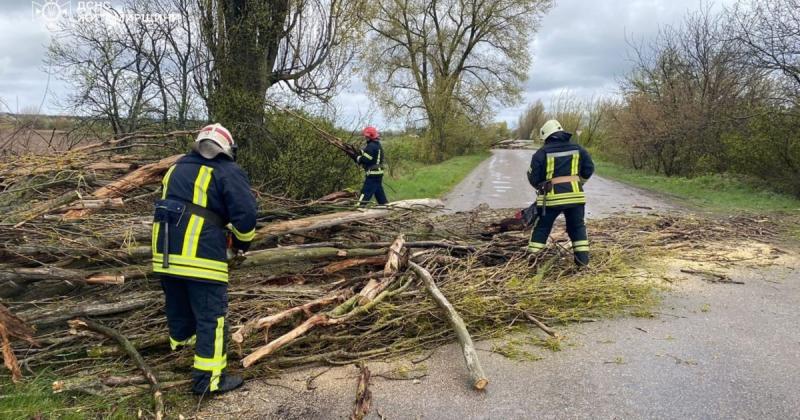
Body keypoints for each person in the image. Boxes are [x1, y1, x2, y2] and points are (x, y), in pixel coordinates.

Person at [151, 123, 257, 395]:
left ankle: (181, 358)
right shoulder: (227, 171)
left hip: (164, 255)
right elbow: (245, 217)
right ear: (226, 148)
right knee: (212, 318)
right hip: (201, 257)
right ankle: (209, 381)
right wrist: (242, 244)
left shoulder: (176, 167)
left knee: (181, 310)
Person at [526, 119, 595, 266]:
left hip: (551, 200)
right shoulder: (578, 149)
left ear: (546, 136)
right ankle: (582, 264)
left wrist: (541, 186)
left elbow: (534, 178)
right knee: (577, 228)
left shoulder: (541, 153)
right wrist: (578, 183)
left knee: (542, 228)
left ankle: (533, 262)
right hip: (575, 197)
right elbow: (589, 169)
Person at [354, 125, 388, 206]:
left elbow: (365, 160)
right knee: (379, 193)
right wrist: (361, 152)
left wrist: (357, 158)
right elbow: (372, 157)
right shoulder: (377, 145)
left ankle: (358, 208)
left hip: (372, 174)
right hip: (379, 174)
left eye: (366, 136)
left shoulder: (370, 146)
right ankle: (385, 206)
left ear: (369, 136)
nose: (365, 137)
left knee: (365, 192)